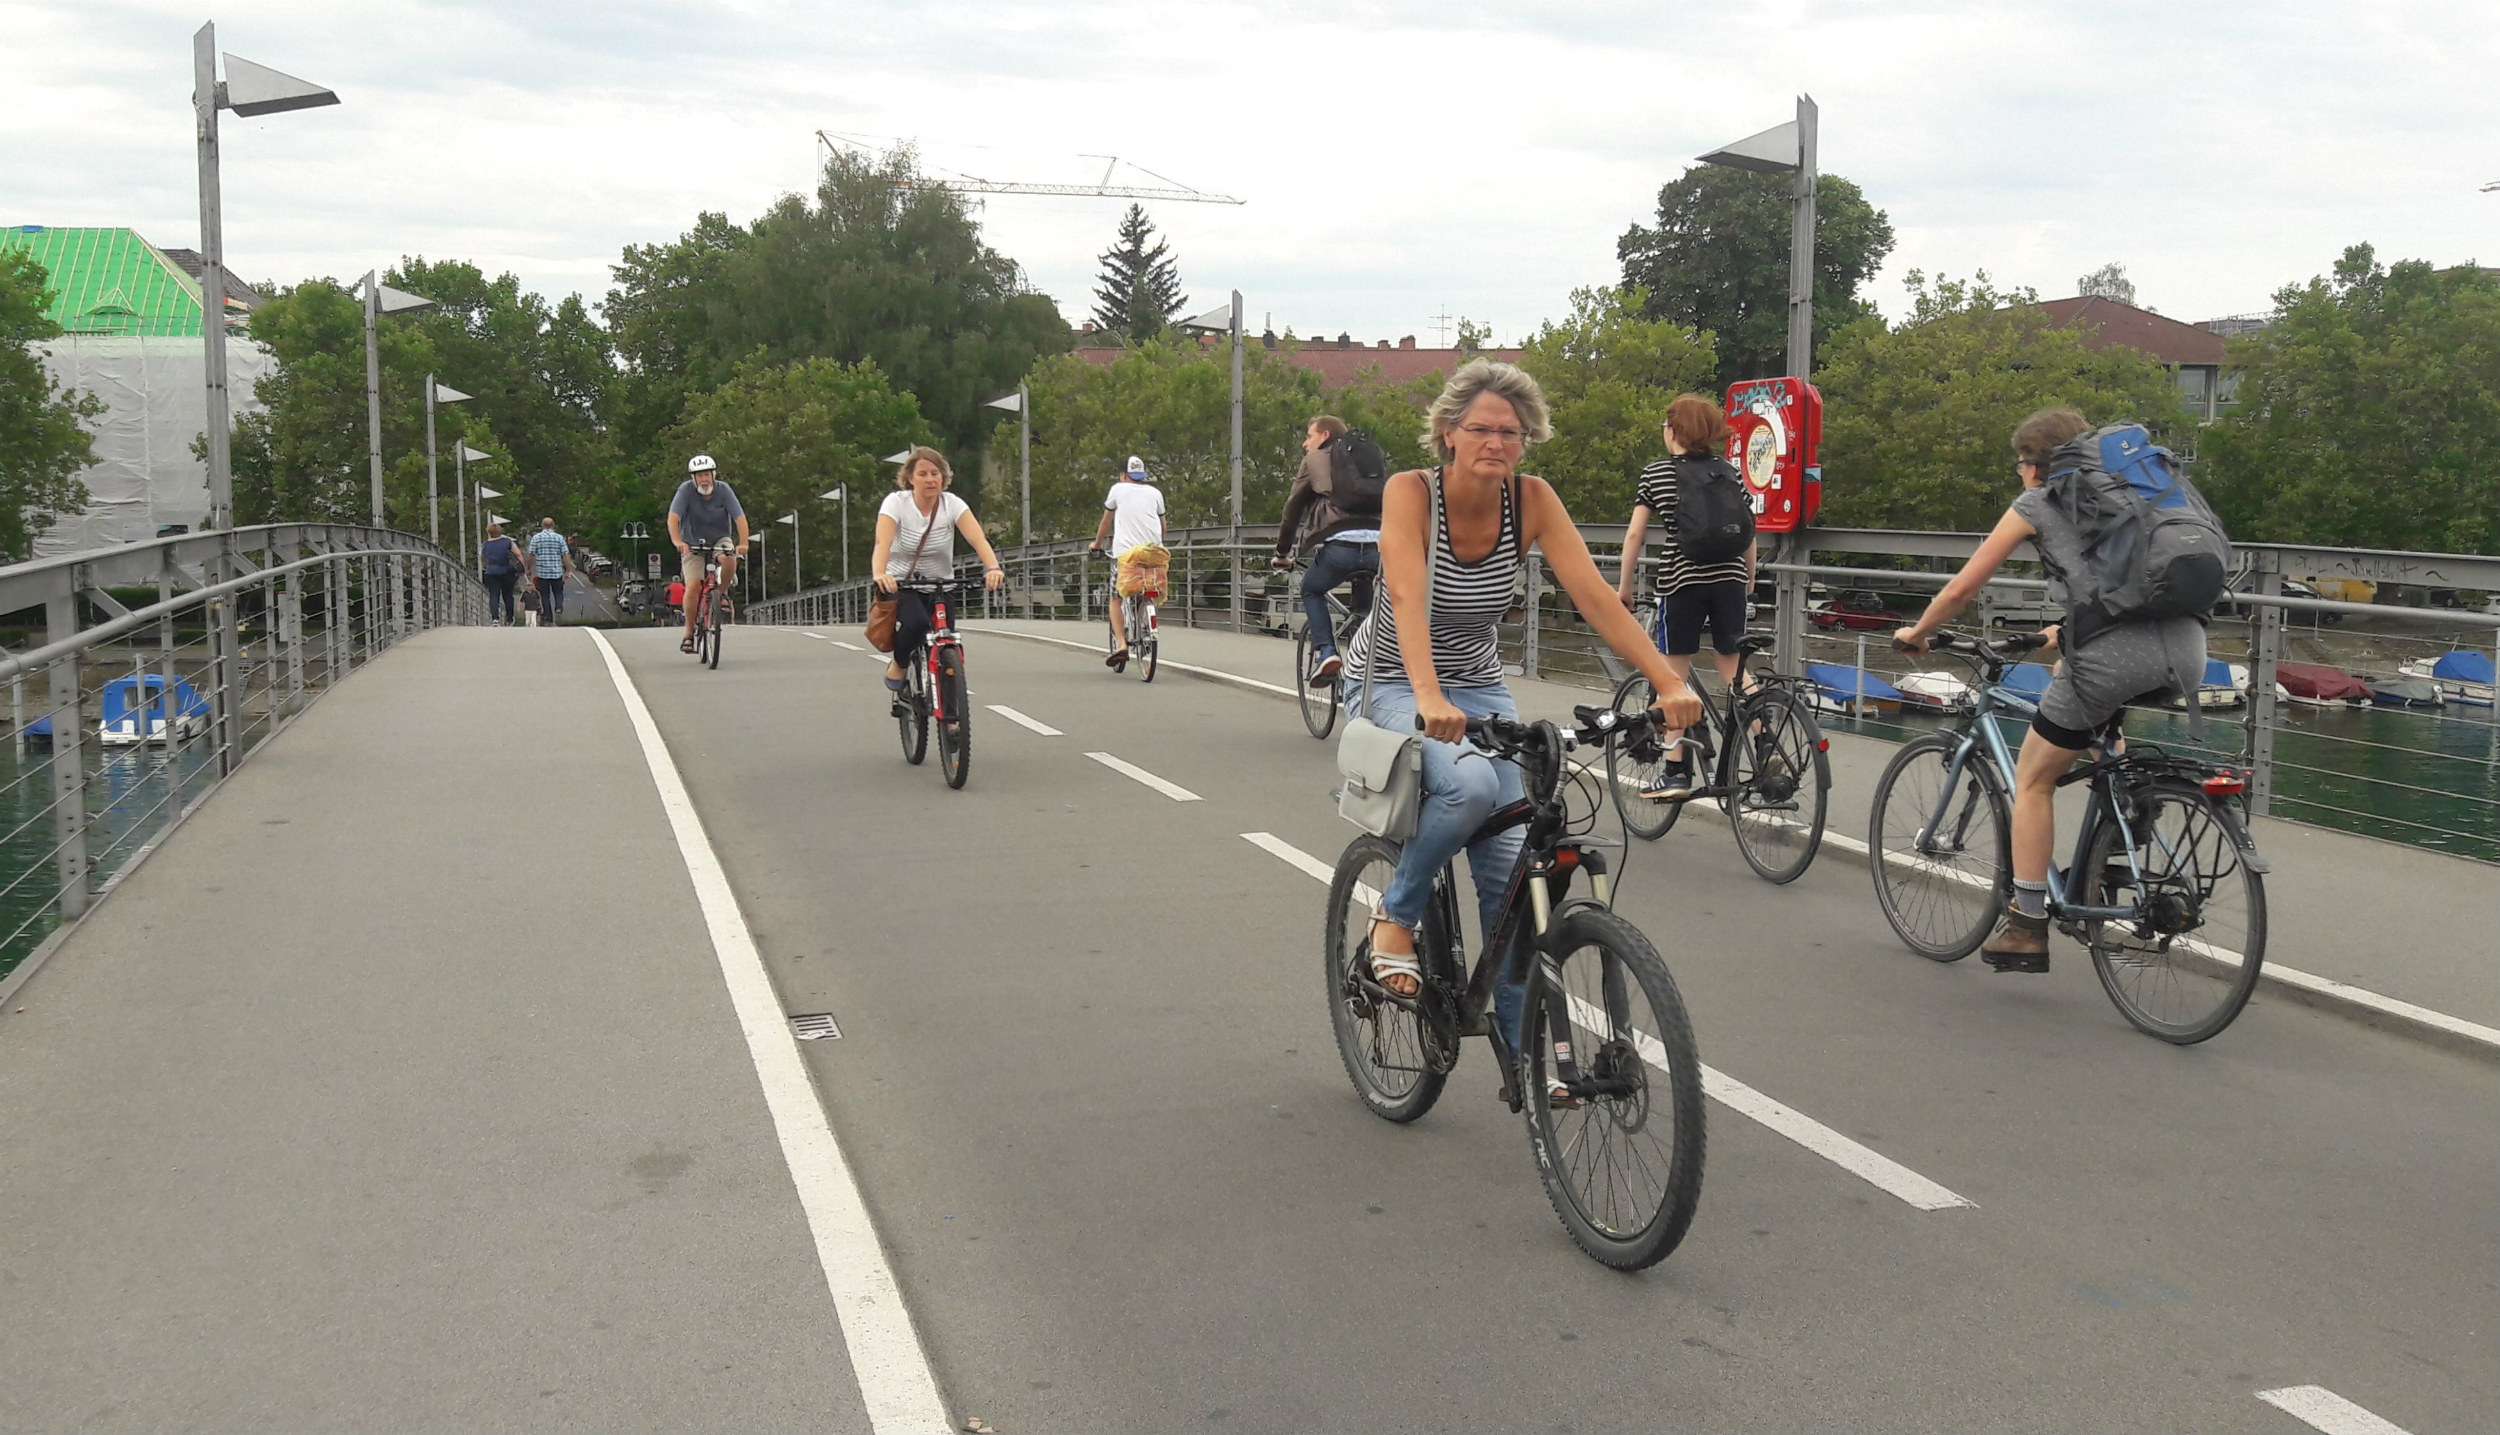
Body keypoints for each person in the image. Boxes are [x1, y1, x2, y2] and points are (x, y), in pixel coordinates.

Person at [1346, 358, 1701, 1088]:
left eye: (1512, 432)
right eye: (1480, 428)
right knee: (1470, 789)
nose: (1497, 442)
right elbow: (1407, 597)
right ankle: (1396, 913)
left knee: (1512, 866)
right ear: (1448, 433)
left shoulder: (1532, 501)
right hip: (1391, 678)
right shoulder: (1410, 493)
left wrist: (1667, 679)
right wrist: (1426, 696)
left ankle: (1527, 1061)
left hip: (1476, 684)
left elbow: (1599, 599)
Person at [1891, 406, 2208, 973]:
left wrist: (1919, 631)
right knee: (2091, 721)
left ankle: (2026, 924)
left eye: (2019, 464)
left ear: (2035, 466)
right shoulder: (2134, 496)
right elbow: (2125, 591)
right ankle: (2123, 834)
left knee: (2034, 780)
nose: (2019, 474)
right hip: (2188, 648)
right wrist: (2057, 636)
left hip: (2113, 656)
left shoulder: (2037, 503)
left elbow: (1964, 587)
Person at [1614, 394, 1758, 799]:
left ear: (1673, 432)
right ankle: (1766, 734)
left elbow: (1634, 535)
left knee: (1672, 679)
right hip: (1729, 579)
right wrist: (1747, 579)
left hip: (1681, 583)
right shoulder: (1728, 473)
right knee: (1732, 666)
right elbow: (1749, 531)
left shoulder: (1656, 474)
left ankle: (1676, 772)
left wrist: (1624, 589)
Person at [871, 446, 1007, 691]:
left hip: (941, 584)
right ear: (911, 478)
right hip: (903, 583)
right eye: (922, 474)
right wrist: (881, 573)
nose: (930, 479)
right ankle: (900, 663)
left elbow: (978, 540)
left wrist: (993, 568)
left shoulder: (951, 504)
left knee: (947, 641)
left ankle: (952, 717)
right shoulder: (896, 503)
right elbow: (883, 541)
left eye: (935, 473)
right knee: (917, 624)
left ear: (943, 478)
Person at [1271, 415, 1380, 686]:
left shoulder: (1314, 460)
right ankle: (1364, 663)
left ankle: (1327, 653)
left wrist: (1283, 552)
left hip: (1340, 547)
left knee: (1311, 588)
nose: (1305, 444)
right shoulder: (1366, 458)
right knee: (1363, 606)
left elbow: (1293, 509)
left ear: (1325, 436)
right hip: (1381, 546)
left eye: (1310, 436)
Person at [1090, 455, 1167, 669]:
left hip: (1127, 556)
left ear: (1123, 475)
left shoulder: (1117, 489)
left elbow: (1106, 520)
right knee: (1147, 590)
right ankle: (1146, 624)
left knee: (1116, 597)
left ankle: (1122, 644)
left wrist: (1097, 544)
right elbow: (1163, 526)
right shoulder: (1155, 493)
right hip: (1154, 553)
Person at [667, 454, 748, 652]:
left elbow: (740, 519)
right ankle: (688, 633)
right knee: (693, 586)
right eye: (699, 476)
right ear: (693, 479)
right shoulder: (685, 491)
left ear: (713, 475)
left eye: (707, 475)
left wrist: (743, 543)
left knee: (729, 558)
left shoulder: (723, 490)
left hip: (719, 538)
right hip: (692, 543)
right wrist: (678, 542)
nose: (704, 479)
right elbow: (673, 518)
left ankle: (721, 594)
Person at [527, 517, 574, 624]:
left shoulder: (536, 538)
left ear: (542, 526)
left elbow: (531, 555)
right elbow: (565, 555)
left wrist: (528, 568)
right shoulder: (559, 538)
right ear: (553, 526)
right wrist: (568, 570)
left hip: (542, 573)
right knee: (558, 593)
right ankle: (558, 607)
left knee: (545, 595)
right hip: (556, 572)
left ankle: (548, 616)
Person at [479, 522, 522, 625]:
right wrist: (521, 568)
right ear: (500, 531)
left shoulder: (485, 544)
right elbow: (518, 554)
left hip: (491, 572)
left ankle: (495, 618)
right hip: (507, 572)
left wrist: (486, 567)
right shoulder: (508, 542)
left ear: (489, 532)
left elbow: (482, 558)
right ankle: (509, 618)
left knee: (494, 595)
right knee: (508, 595)